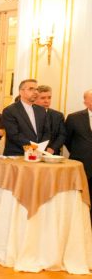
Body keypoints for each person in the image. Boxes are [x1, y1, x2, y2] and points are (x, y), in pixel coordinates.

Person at [1, 79, 49, 156]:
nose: (35, 92)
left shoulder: (41, 110)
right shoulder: (10, 111)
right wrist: (33, 148)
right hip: (17, 155)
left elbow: (47, 132)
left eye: (36, 89)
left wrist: (40, 148)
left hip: (38, 154)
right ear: (21, 92)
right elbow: (14, 135)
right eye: (31, 89)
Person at [65, 90, 92, 220]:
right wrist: (81, 151)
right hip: (81, 165)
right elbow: (67, 140)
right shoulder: (74, 118)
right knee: (80, 202)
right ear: (85, 101)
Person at [35, 85, 66, 155]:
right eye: (43, 98)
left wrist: (53, 148)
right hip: (31, 153)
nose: (47, 101)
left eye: (49, 98)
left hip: (52, 154)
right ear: (35, 99)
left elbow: (62, 135)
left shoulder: (58, 115)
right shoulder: (29, 114)